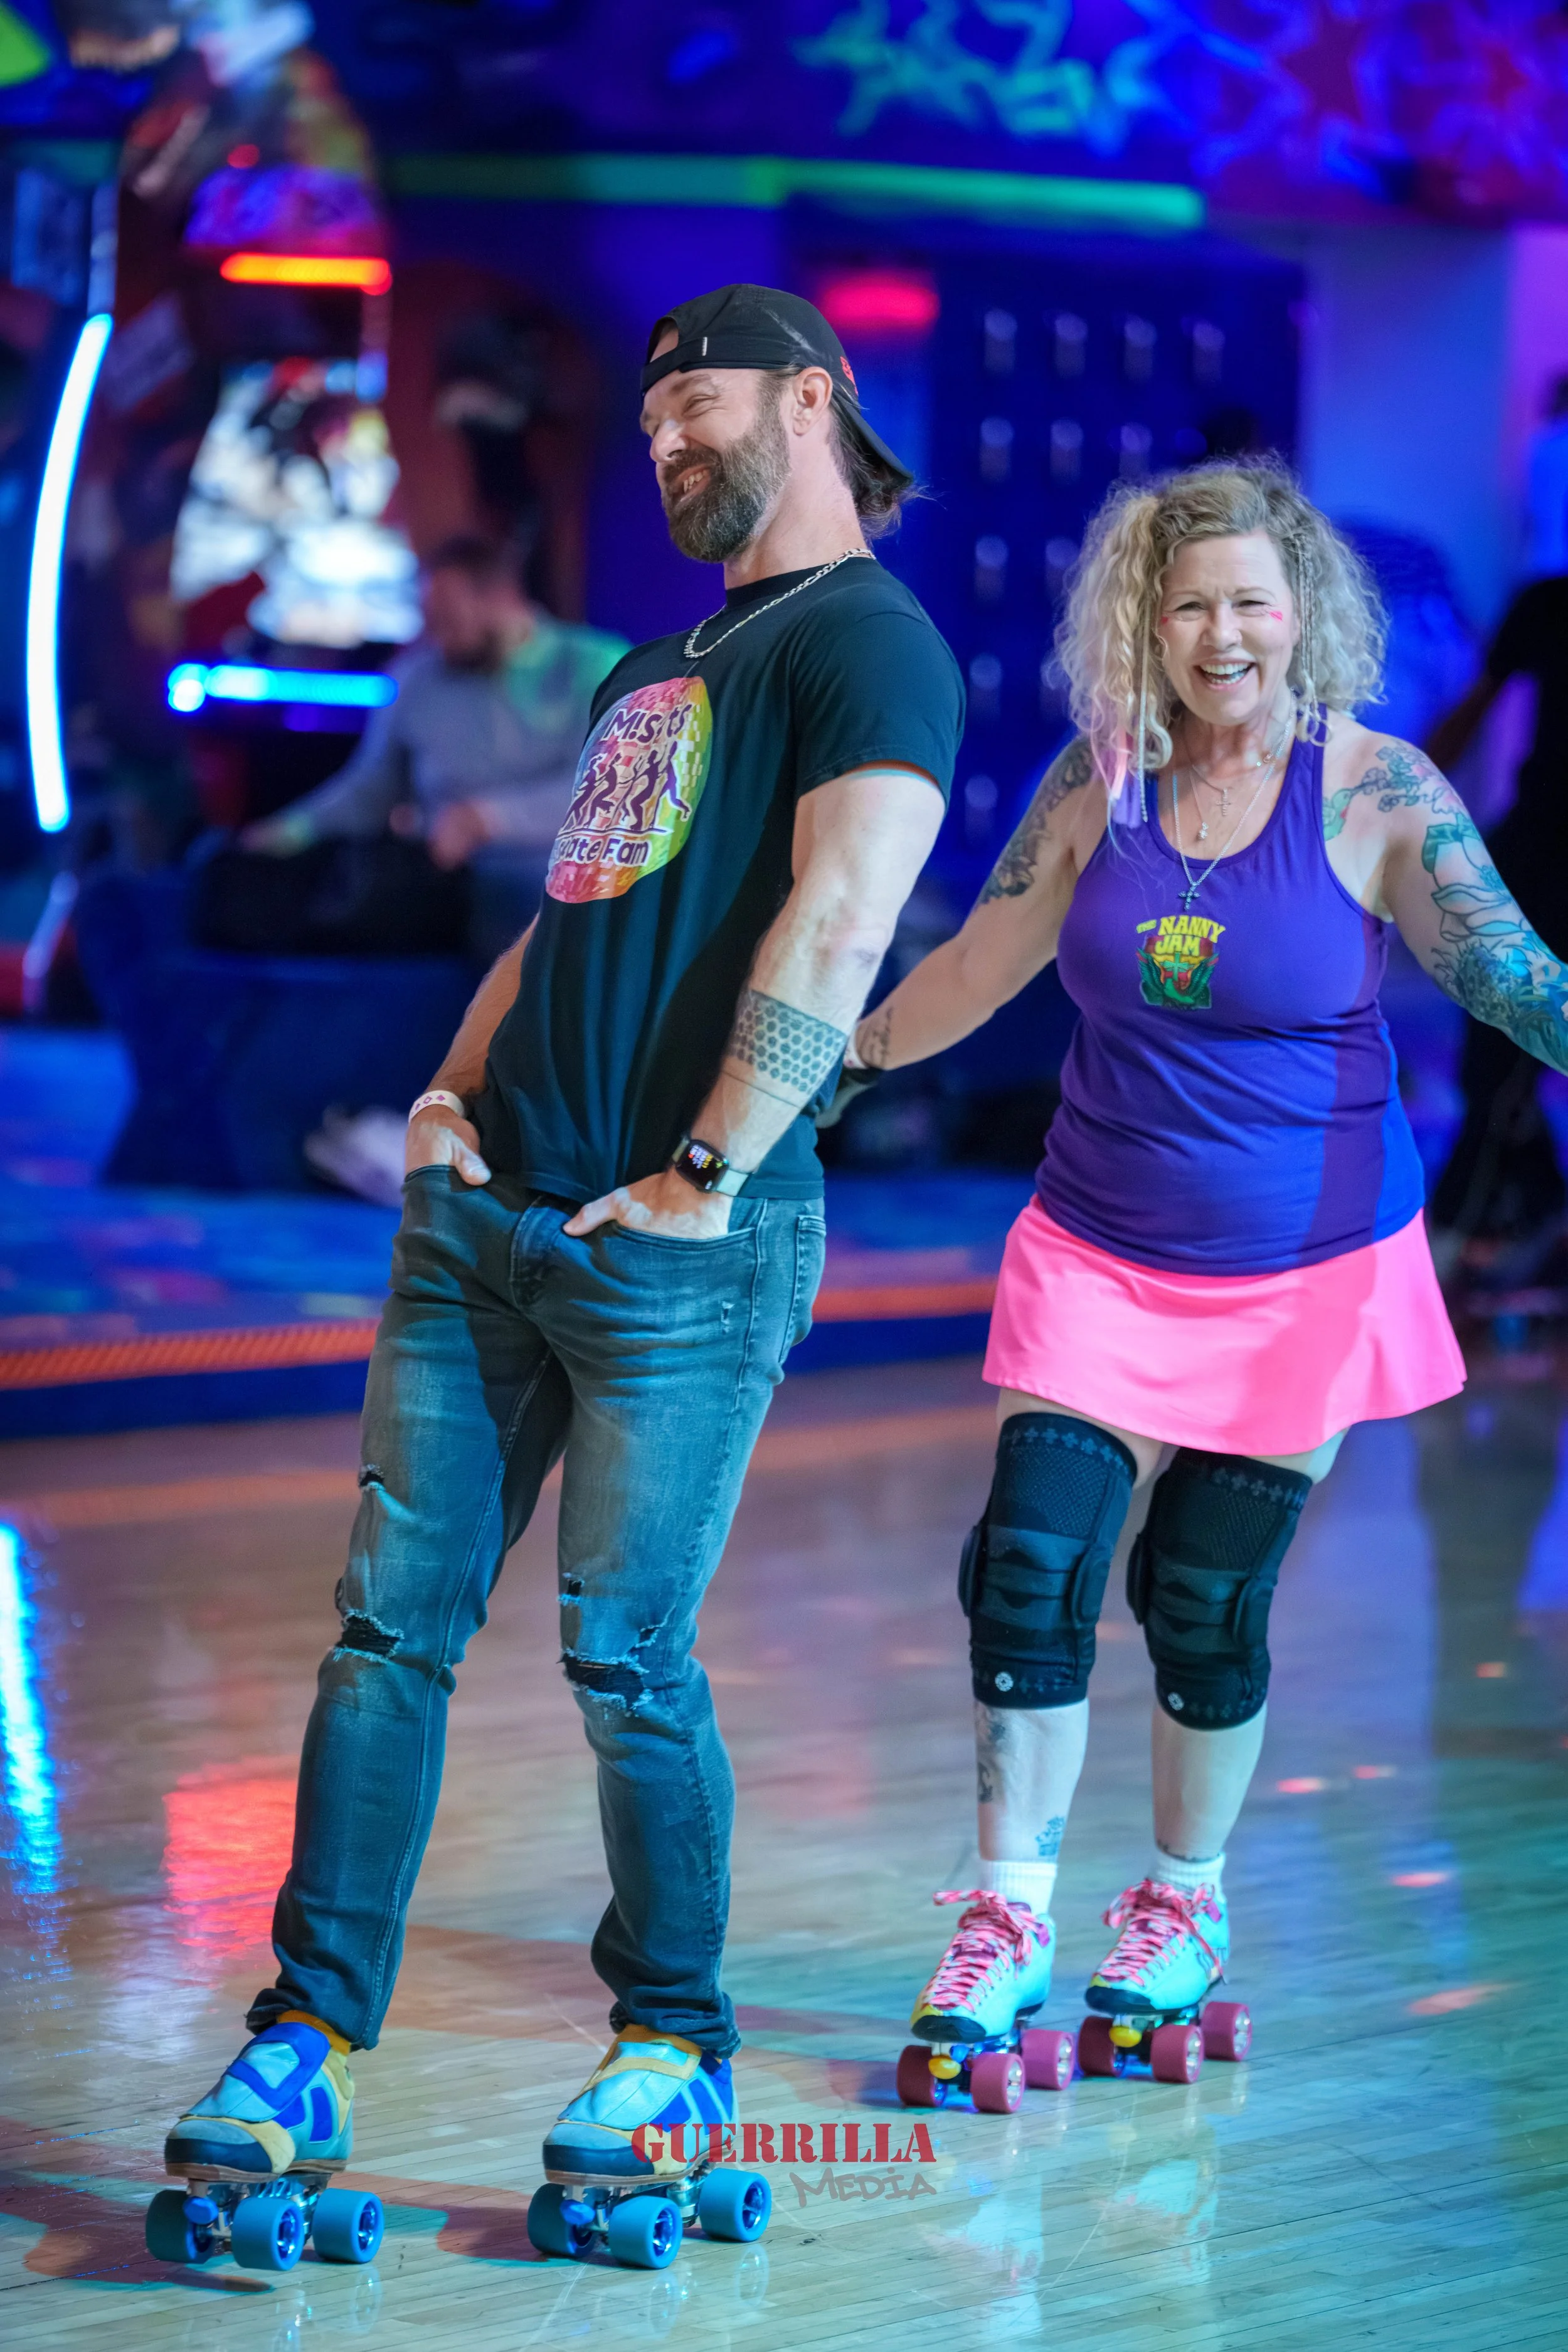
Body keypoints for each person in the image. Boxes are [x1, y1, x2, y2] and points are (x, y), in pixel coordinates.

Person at [163, 286, 961, 2195]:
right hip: (487, 1222)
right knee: (383, 1634)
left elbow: (843, 917)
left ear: (811, 400)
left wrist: (703, 1167)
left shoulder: (869, 644)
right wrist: (445, 1096)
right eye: (658, 420)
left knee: (622, 1652)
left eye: (703, 410)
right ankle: (298, 2043)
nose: (673, 444)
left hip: (685, 1241)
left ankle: (670, 2044)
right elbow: (561, 924)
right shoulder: (648, 665)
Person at [842, 459, 1568, 2064]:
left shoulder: (1379, 794)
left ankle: (1181, 1898)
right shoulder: (1101, 779)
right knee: (1028, 1562)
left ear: (1301, 614)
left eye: (1249, 601)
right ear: (1144, 623)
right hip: (1098, 1243)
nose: (1220, 633)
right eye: (1189, 604)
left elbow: (1509, 970)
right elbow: (978, 958)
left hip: (1304, 1267)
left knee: (1201, 1596)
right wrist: (828, 1064)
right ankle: (1005, 1908)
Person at [243, 534, 629, 960]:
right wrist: (289, 832)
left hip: (556, 873)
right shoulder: (416, 679)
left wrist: (487, 819)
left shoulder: (597, 665)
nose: (436, 636)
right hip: (438, 880)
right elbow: (370, 791)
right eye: (429, 619)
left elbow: (616, 793)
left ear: (501, 597)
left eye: (447, 617)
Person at [1425, 567, 1568, 1266]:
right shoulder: (1545, 603)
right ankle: (1486, 1221)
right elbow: (1468, 715)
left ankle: (1487, 1223)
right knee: (1499, 1056)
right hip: (1540, 850)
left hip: (1541, 854)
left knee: (1506, 1061)